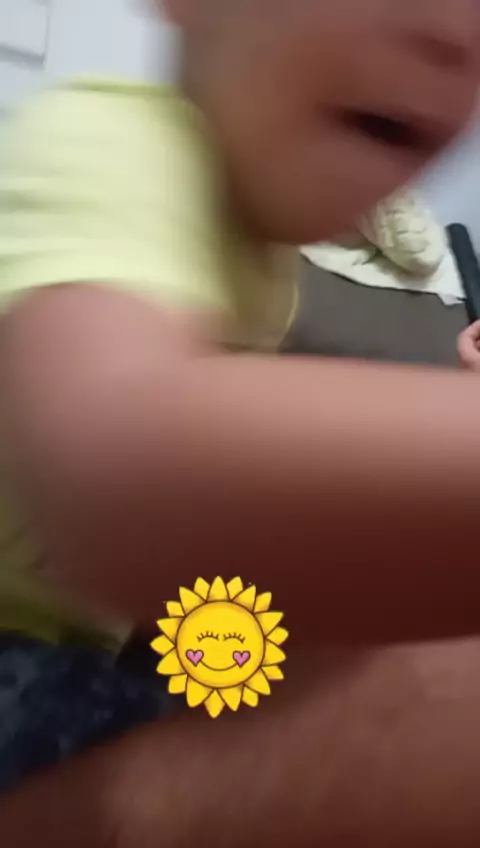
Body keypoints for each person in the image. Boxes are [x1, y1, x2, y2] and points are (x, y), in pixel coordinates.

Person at [1, 0, 480, 844]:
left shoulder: (254, 240)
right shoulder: (110, 142)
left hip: (104, 636)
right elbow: (120, 477)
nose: (452, 34)